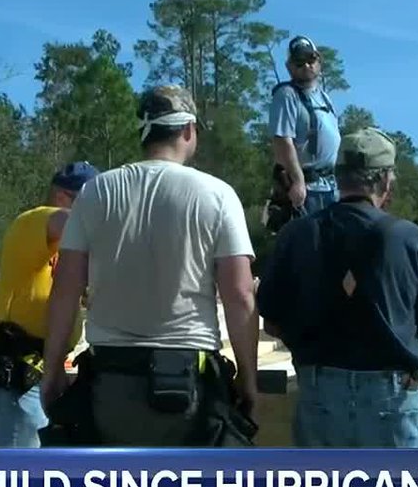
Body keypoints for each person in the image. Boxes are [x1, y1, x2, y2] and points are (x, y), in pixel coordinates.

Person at [39, 85, 259, 447]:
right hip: (189, 391)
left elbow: (65, 289)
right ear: (188, 130)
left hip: (108, 387)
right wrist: (248, 380)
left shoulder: (96, 192)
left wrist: (52, 370)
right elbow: (239, 295)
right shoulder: (217, 195)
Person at [257, 128, 418, 448]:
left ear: (339, 177)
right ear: (385, 180)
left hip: (319, 398)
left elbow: (271, 320)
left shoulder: (296, 234)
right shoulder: (409, 238)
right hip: (391, 400)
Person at [0, 161, 100, 448]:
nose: (96, 210)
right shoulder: (34, 221)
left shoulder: (64, 248)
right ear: (61, 197)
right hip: (21, 375)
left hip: (41, 371)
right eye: (89, 201)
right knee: (18, 478)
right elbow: (70, 223)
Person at [265, 35, 341, 231]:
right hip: (307, 189)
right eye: (299, 62)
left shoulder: (324, 97)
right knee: (310, 250)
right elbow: (282, 141)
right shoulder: (286, 95)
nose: (306, 65)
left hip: (330, 186)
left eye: (310, 60)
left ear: (319, 62)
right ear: (289, 67)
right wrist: (297, 182)